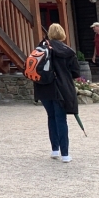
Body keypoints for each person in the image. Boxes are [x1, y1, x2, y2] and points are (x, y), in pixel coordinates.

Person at [34, 24, 82, 163]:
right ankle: (65, 154)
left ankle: (55, 149)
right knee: (61, 119)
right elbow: (76, 72)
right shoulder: (67, 51)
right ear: (62, 33)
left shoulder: (41, 48)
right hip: (61, 88)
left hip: (43, 87)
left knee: (51, 117)